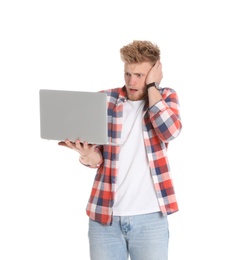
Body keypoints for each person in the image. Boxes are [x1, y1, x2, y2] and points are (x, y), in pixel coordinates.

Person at [58, 40, 182, 260]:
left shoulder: (165, 97)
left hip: (150, 219)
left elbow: (170, 131)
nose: (131, 81)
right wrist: (87, 156)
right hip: (104, 218)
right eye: (127, 73)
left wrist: (153, 87)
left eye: (140, 75)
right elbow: (98, 157)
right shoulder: (105, 100)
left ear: (155, 72)